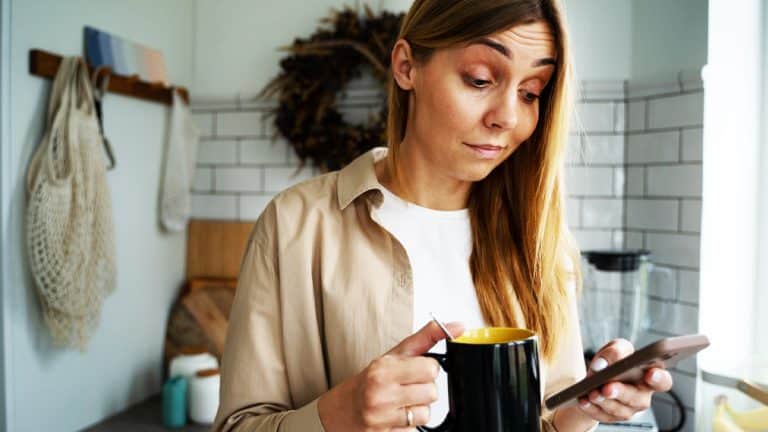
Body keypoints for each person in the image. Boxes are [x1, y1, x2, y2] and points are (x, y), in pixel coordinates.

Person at [213, 1, 674, 431]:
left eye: (532, 92)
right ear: (406, 65)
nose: (507, 117)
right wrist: (339, 414)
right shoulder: (295, 225)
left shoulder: (542, 240)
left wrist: (585, 407)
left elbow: (548, 419)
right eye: (479, 79)